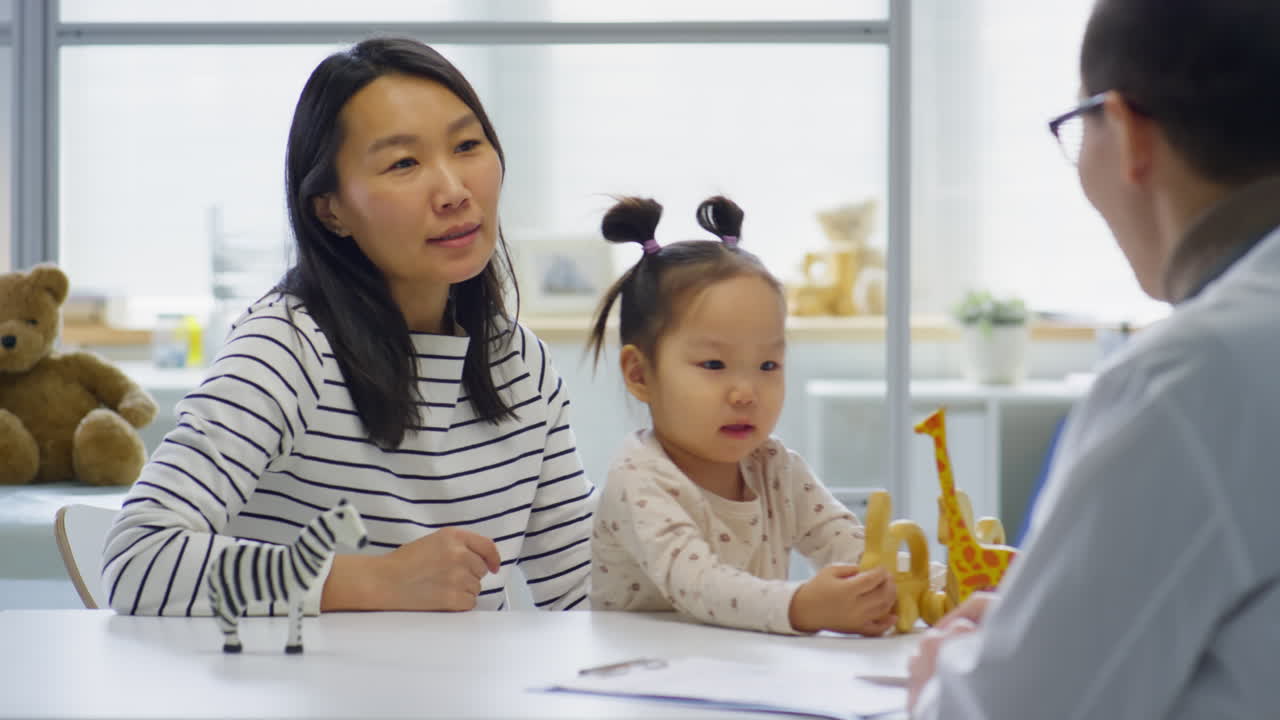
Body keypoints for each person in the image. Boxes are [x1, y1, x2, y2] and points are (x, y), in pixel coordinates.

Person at [102, 37, 595, 616]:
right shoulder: (288, 349)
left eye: (467, 146)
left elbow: (586, 595)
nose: (454, 192)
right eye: (404, 163)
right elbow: (139, 559)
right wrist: (374, 583)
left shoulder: (520, 363)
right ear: (330, 209)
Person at [907, 0, 1280, 716]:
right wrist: (1045, 630)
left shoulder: (1192, 377)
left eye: (1076, 130)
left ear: (1127, 130)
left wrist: (949, 679)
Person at [587, 195, 908, 636]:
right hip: (645, 674)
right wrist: (802, 606)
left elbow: (852, 547)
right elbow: (700, 585)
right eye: (714, 365)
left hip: (745, 670)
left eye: (768, 365)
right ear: (640, 374)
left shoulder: (775, 468)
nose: (746, 393)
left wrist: (948, 583)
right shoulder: (639, 478)